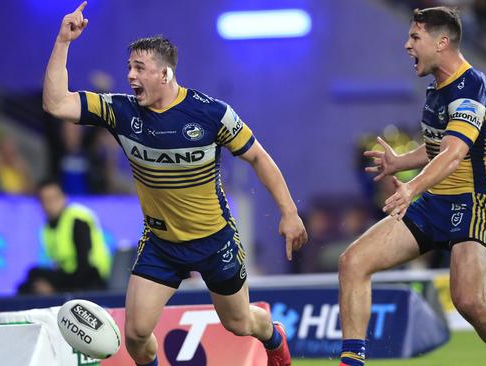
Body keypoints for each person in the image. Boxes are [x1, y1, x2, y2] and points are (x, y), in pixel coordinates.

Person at [42, 3, 307, 366]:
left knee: (239, 322)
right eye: (129, 68)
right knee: (135, 334)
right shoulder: (121, 112)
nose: (131, 77)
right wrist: (62, 41)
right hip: (162, 245)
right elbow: (56, 103)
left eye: (140, 69)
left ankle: (274, 336)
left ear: (165, 74)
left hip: (214, 241)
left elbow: (259, 157)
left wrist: (288, 213)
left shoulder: (210, 114)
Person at [337, 7, 486, 366]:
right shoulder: (437, 88)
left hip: (473, 202)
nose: (406, 45)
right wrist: (400, 163)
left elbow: (455, 154)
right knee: (352, 262)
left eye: (415, 38)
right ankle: (352, 362)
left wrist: (411, 188)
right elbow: (437, 145)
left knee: (468, 301)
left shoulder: (471, 88)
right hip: (434, 202)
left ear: (441, 43)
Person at [18, 180, 111, 294]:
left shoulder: (77, 219)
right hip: (68, 275)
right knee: (30, 281)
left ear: (64, 198)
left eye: (53, 199)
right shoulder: (48, 227)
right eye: (44, 200)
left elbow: (84, 263)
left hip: (90, 276)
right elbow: (57, 263)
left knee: (35, 274)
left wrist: (56, 288)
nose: (49, 204)